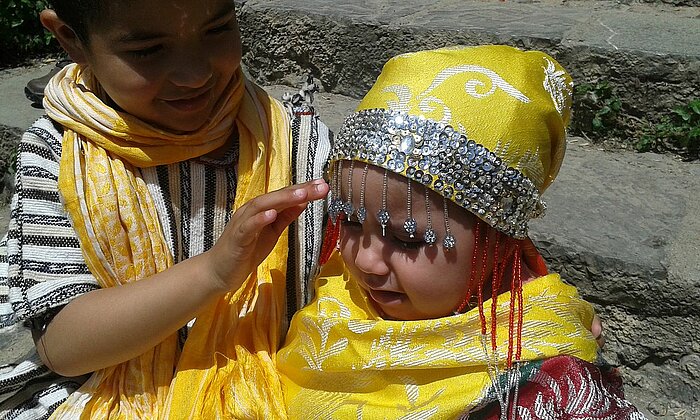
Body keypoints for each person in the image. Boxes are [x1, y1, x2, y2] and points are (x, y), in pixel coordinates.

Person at [0, 0, 330, 418]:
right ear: (70, 38)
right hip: (110, 388)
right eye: (148, 51)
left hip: (272, 378)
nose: (195, 75)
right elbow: (64, 349)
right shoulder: (61, 156)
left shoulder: (296, 144)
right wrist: (213, 273)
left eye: (217, 30)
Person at [277, 45, 645, 418]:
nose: (365, 260)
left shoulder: (545, 384)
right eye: (350, 219)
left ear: (498, 243)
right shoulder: (342, 291)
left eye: (407, 238)